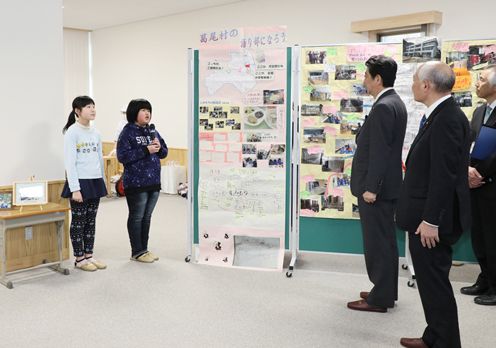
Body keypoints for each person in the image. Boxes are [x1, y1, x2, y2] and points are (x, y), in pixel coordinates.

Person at [396, 62, 470, 348]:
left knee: (435, 283)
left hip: (431, 222)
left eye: (415, 80)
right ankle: (435, 336)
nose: (413, 85)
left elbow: (444, 176)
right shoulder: (439, 115)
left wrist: (431, 220)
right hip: (426, 215)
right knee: (429, 282)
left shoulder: (447, 119)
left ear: (426, 85)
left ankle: (446, 342)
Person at [348, 55, 407, 313]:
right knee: (385, 241)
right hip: (388, 186)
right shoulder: (394, 102)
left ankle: (379, 298)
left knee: (377, 243)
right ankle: (384, 290)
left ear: (377, 78)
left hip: (377, 190)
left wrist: (371, 188)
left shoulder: (384, 106)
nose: (364, 81)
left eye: (366, 76)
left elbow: (381, 152)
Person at [461, 65, 496, 305]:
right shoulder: (478, 111)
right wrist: (468, 169)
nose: (477, 83)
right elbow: (468, 144)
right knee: (479, 237)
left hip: (492, 184)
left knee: (494, 238)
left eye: (481, 79)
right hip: (474, 184)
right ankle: (485, 278)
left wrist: (483, 174)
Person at [117, 99, 168, 263]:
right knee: (137, 217)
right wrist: (145, 150)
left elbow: (164, 153)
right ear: (134, 113)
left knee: (147, 217)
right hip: (136, 183)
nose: (147, 113)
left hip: (153, 181)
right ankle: (136, 252)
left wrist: (159, 147)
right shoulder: (127, 132)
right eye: (143, 110)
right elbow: (122, 157)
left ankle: (144, 250)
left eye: (149, 110)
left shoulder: (152, 131)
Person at [61, 96, 107, 272]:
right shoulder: (72, 132)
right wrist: (75, 189)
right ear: (77, 111)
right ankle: (79, 258)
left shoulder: (96, 132)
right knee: (79, 222)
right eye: (88, 107)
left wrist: (103, 180)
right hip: (80, 182)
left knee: (91, 221)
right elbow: (70, 163)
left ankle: (89, 255)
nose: (93, 110)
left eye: (94, 106)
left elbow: (99, 159)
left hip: (95, 181)